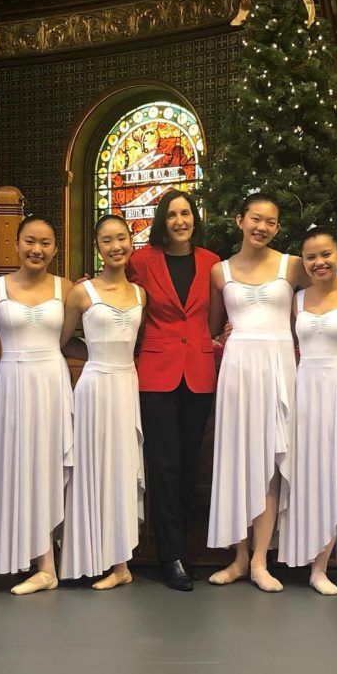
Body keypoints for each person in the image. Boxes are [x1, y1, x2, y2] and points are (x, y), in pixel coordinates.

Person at [207, 192, 304, 592]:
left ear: (277, 227)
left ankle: (262, 559)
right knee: (237, 461)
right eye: (255, 219)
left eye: (270, 222)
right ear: (239, 220)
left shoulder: (293, 265)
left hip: (279, 366)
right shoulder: (219, 271)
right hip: (238, 369)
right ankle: (239, 558)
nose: (262, 227)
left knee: (269, 462)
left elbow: (313, 309)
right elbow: (215, 324)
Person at [127, 188, 219, 591]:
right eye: (171, 215)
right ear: (161, 221)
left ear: (194, 219)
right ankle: (170, 556)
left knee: (188, 465)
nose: (180, 221)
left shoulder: (211, 262)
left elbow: (214, 319)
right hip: (156, 372)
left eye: (186, 214)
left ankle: (186, 548)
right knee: (163, 467)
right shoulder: (141, 262)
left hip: (198, 371)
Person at [0, 216, 74, 595]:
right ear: (16, 244)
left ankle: (48, 563)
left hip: (52, 379)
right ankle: (32, 558)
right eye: (30, 241)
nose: (37, 249)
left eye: (46, 243)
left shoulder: (66, 289)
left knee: (48, 464)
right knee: (19, 465)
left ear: (55, 249)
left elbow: (71, 339)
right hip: (13, 382)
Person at [279, 226, 337, 595]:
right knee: (305, 472)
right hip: (304, 388)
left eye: (326, 255)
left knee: (336, 472)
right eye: (311, 257)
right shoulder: (296, 301)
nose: (319, 262)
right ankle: (298, 552)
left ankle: (322, 564)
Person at [59, 214, 144, 589]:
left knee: (123, 468)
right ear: (98, 248)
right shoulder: (82, 293)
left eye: (122, 239)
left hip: (127, 384)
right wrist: (94, 354)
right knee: (92, 468)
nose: (116, 247)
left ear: (131, 243)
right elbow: (60, 341)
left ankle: (121, 564)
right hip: (94, 385)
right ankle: (90, 555)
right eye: (107, 241)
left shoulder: (141, 294)